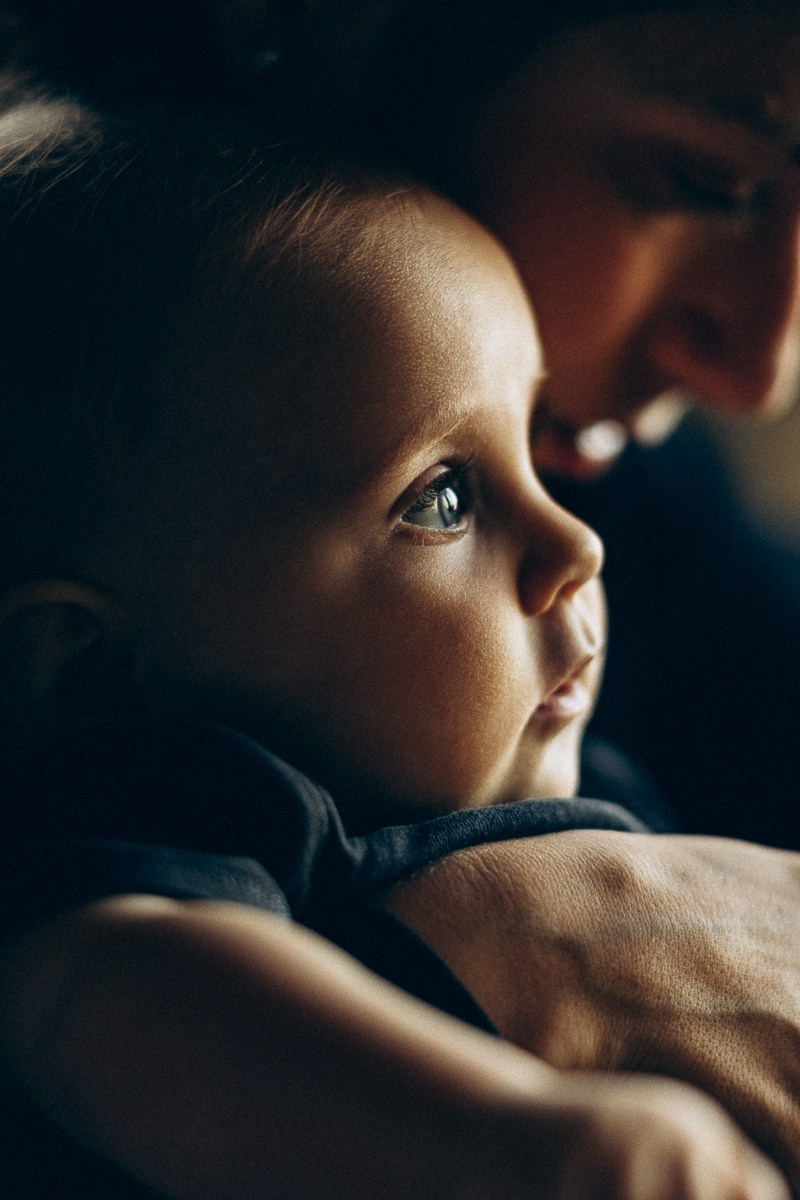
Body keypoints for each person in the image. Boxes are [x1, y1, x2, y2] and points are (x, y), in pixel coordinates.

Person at [4, 0, 800, 1189]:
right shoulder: (207, 794)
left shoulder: (613, 570)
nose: (578, 540)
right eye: (703, 177)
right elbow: (101, 984)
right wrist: (532, 1131)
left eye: (529, 447)